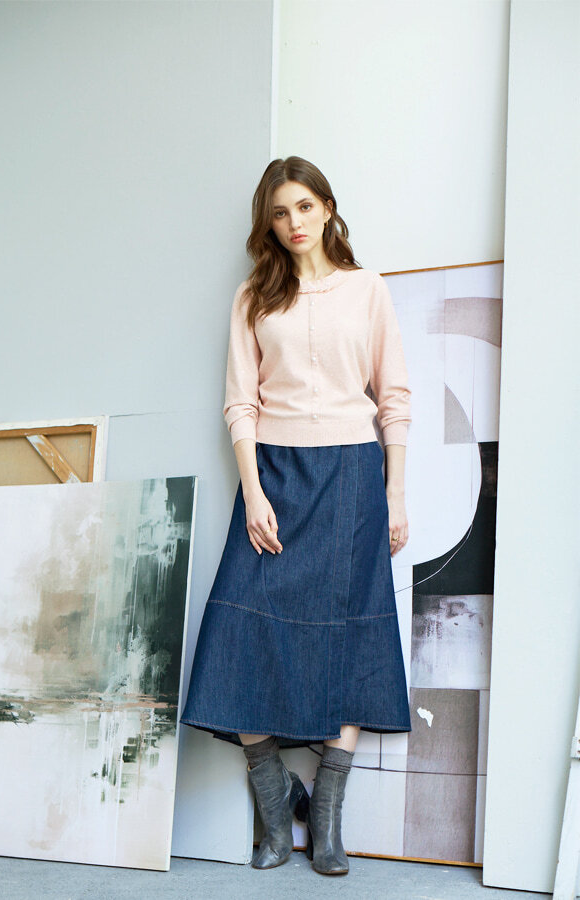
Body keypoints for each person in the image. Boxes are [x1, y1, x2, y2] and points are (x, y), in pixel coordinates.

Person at [179, 155, 412, 877]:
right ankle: (276, 803)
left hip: (351, 475)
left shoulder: (367, 289)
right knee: (240, 632)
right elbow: (240, 401)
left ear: (327, 208)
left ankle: (328, 821)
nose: (294, 223)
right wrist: (252, 492)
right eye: (280, 213)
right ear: (269, 223)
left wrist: (396, 492)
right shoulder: (254, 294)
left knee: (352, 635)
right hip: (274, 473)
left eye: (305, 207)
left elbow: (394, 398)